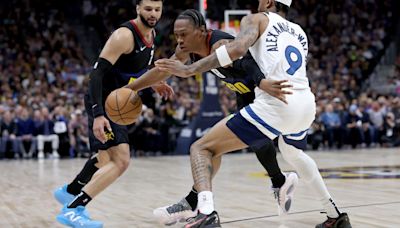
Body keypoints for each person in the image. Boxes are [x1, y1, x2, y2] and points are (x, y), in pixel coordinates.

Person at [155, 0, 352, 227]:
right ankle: (335, 215)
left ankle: (206, 212)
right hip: (305, 103)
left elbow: (237, 49)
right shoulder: (299, 31)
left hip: (276, 104)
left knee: (202, 147)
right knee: (292, 154)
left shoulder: (256, 19)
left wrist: (190, 69)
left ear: (268, 1)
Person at [126, 9, 298, 226]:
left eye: (184, 34)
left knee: (207, 148)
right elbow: (164, 70)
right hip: (245, 93)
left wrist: (261, 82)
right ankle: (278, 181)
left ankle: (196, 205)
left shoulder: (218, 44)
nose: (179, 40)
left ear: (202, 31)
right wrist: (131, 88)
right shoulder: (186, 48)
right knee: (240, 145)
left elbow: (247, 62)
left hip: (266, 91)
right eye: (176, 35)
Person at [53, 0, 173, 227]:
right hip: (105, 101)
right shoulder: (124, 36)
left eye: (157, 9)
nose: (153, 14)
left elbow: (133, 68)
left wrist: (152, 82)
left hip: (116, 99)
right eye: (148, 9)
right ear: (137, 8)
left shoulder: (151, 34)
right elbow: (96, 75)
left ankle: (70, 191)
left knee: (105, 158)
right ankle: (73, 209)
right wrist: (98, 115)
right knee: (121, 161)